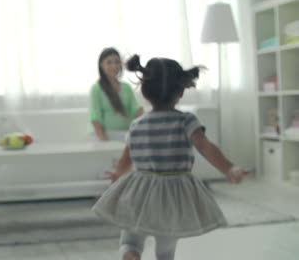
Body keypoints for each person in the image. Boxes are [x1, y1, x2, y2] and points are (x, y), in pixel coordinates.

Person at [92, 55, 250, 260]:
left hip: (139, 190)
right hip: (172, 194)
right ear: (181, 90)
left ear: (144, 90)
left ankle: (131, 255)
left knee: (130, 241)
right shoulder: (186, 121)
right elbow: (204, 146)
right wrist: (229, 168)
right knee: (165, 248)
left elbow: (126, 158)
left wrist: (117, 174)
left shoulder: (136, 125)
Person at [89, 47, 143, 142]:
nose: (114, 66)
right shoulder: (96, 89)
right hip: (105, 136)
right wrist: (104, 142)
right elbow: (95, 117)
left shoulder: (126, 87)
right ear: (102, 65)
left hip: (126, 135)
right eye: (109, 62)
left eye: (117, 62)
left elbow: (136, 109)